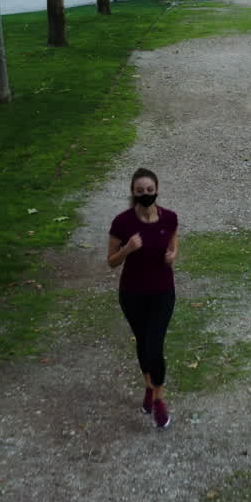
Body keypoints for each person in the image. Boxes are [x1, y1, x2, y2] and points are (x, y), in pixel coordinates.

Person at [107, 168, 179, 429]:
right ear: (133, 193)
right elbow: (111, 262)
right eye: (140, 191)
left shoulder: (169, 218)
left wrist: (173, 255)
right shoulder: (122, 223)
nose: (145, 194)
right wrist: (127, 249)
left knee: (154, 347)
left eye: (150, 190)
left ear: (157, 190)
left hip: (162, 293)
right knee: (142, 344)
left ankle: (159, 398)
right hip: (133, 295)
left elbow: (173, 243)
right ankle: (148, 385)